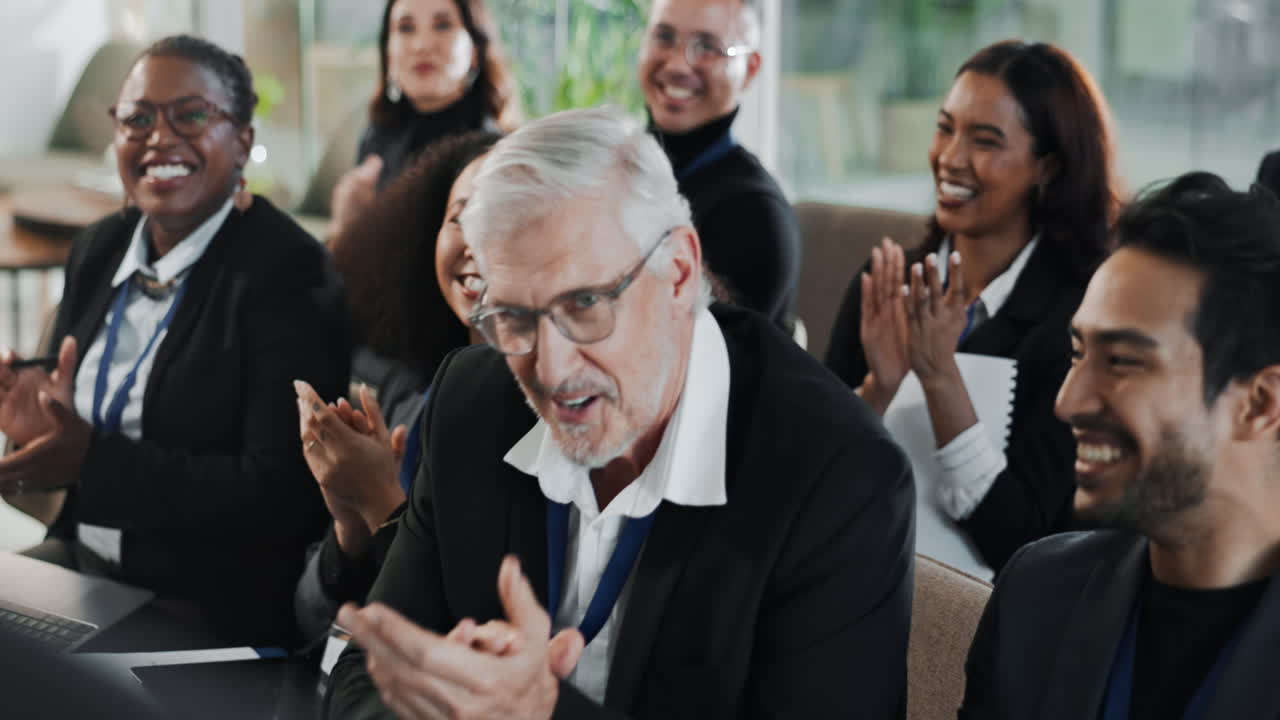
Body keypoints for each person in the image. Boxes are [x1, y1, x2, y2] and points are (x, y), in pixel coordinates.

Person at [325, 106, 914, 718]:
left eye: (584, 304)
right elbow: (361, 675)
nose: (550, 370)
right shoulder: (471, 401)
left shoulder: (839, 476)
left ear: (680, 273)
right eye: (515, 317)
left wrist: (541, 711)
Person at [0, 35, 350, 647]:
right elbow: (78, 428)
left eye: (190, 115)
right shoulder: (100, 247)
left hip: (208, 607)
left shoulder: (289, 275)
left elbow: (285, 497)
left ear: (242, 138)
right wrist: (37, 417)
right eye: (137, 118)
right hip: (86, 570)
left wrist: (93, 462)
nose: (159, 137)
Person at [960, 171, 1280, 719]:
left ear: (1258, 404)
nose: (1068, 401)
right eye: (1079, 353)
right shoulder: (1037, 599)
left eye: (1123, 361)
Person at [825, 40, 1122, 573]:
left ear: (1047, 168)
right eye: (945, 128)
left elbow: (1024, 540)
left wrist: (939, 377)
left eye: (985, 141)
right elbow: (810, 483)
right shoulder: (887, 283)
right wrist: (879, 388)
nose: (951, 157)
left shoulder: (1078, 320)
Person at [292, 131, 499, 642]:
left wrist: (380, 499)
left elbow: (464, 628)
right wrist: (350, 531)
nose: (475, 241)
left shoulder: (551, 421)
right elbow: (311, 618)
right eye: (459, 217)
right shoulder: (417, 396)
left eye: (504, 219)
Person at [639, 0, 800, 329]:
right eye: (665, 37)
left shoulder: (755, 216)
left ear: (750, 69)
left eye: (707, 47)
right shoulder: (618, 170)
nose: (677, 65)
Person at [328, 0, 518, 237]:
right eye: (406, 28)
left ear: (475, 51)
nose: (421, 45)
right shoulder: (377, 133)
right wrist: (346, 225)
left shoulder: (492, 151)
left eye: (443, 25)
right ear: (387, 50)